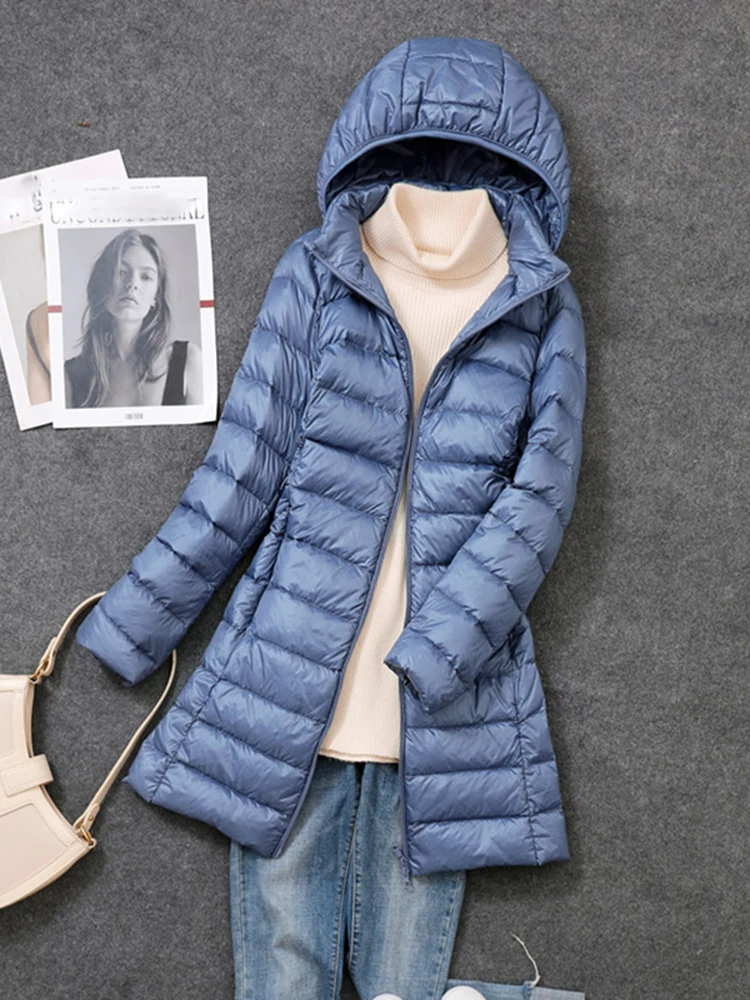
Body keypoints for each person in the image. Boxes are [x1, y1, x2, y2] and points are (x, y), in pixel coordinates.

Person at [64, 228, 201, 408]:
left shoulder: (188, 359)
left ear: (156, 297)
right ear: (102, 285)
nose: (133, 284)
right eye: (122, 272)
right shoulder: (72, 374)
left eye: (146, 277)